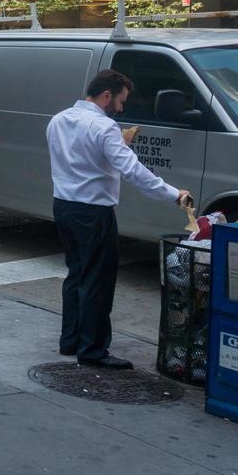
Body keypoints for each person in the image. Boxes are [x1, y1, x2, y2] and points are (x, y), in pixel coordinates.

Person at [47, 69, 193, 371]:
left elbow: (79, 159)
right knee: (97, 281)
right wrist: (173, 194)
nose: (121, 108)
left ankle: (70, 339)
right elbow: (134, 172)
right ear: (106, 96)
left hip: (63, 206)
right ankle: (93, 350)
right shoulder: (104, 127)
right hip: (93, 213)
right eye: (121, 101)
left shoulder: (58, 120)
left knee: (76, 274)